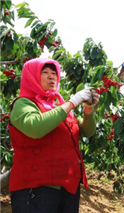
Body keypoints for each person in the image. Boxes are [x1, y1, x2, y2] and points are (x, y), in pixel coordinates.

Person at [8, 58, 100, 213]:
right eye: (45, 72)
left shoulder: (58, 107)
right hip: (35, 189)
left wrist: (88, 110)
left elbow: (86, 131)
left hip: (67, 187)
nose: (51, 76)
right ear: (32, 77)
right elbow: (35, 127)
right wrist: (72, 102)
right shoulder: (23, 104)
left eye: (54, 73)